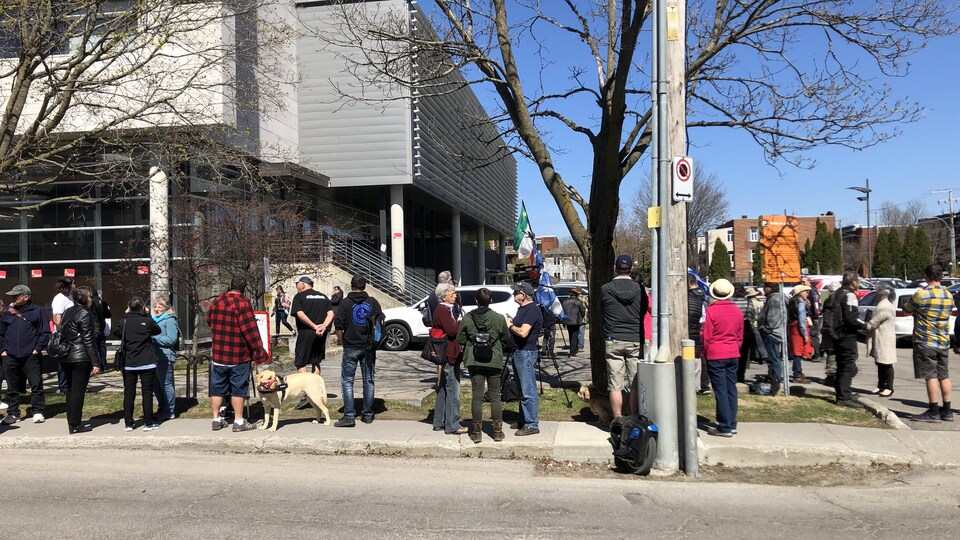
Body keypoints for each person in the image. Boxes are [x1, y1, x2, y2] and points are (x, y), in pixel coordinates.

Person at [206, 276, 270, 432]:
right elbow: (250, 331)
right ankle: (239, 421)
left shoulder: (217, 301)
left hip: (219, 354)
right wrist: (259, 351)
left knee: (217, 388)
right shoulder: (243, 303)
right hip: (238, 355)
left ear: (230, 285)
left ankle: (216, 419)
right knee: (238, 388)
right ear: (244, 288)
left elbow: (209, 320)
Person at [457, 287, 509, 443]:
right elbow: (506, 337)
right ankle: (498, 431)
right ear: (490, 300)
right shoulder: (499, 318)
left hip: (474, 360)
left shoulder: (467, 318)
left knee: (477, 396)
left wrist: (471, 342)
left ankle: (477, 432)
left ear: (476, 300)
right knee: (495, 396)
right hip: (494, 360)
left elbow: (460, 338)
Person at [600, 255, 648, 420]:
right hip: (634, 337)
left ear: (615, 267)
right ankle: (634, 416)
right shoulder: (639, 289)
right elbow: (642, 311)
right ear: (631, 269)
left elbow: (603, 310)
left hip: (613, 338)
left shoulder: (605, 289)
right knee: (635, 382)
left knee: (615, 384)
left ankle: (618, 418)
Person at [904, 264, 954, 422]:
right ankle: (947, 410)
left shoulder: (922, 294)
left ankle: (933, 410)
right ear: (941, 277)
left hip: (925, 340)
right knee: (944, 376)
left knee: (930, 376)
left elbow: (907, 309)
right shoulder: (948, 295)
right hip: (943, 341)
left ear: (926, 277)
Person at [333, 275, 382, 427]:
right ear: (365, 286)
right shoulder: (372, 302)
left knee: (347, 381)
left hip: (351, 346)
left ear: (351, 285)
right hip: (368, 347)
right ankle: (367, 414)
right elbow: (380, 322)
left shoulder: (345, 303)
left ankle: (349, 415)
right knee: (369, 380)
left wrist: (342, 342)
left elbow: (339, 326)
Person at [1, 284, 50, 424]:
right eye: (12, 296)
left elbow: (44, 332)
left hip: (31, 355)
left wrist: (37, 349)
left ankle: (38, 411)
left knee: (36, 384)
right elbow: (1, 333)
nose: (12, 298)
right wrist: (3, 350)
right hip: (10, 355)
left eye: (16, 296)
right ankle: (13, 413)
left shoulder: (37, 311)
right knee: (12, 386)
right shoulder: (7, 312)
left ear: (26, 297)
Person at [701, 279, 743, 437]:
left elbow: (707, 336)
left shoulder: (712, 311)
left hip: (716, 353)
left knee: (720, 390)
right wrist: (735, 347)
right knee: (731, 388)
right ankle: (731, 422)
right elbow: (740, 335)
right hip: (732, 352)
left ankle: (724, 425)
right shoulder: (737, 311)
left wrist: (704, 351)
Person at [114, 297, 162, 431]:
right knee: (147, 392)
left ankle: (128, 423)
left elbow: (116, 332)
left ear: (129, 307)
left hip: (129, 362)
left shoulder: (124, 321)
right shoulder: (146, 321)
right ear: (142, 307)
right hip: (147, 362)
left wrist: (126, 314)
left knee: (129, 393)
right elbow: (157, 330)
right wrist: (147, 314)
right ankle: (148, 422)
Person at [58, 286, 101, 434]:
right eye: (90, 296)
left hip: (66, 355)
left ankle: (72, 422)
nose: (91, 299)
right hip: (80, 356)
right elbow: (88, 340)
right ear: (85, 298)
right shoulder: (85, 313)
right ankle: (76, 423)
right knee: (78, 391)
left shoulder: (68, 311)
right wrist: (95, 362)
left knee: (70, 390)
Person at [505, 281, 543, 436]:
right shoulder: (523, 309)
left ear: (524, 295)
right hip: (519, 352)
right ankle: (524, 419)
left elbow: (523, 333)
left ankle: (532, 424)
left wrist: (510, 325)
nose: (514, 294)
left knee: (528, 390)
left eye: (516, 292)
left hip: (526, 352)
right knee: (521, 389)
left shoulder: (532, 310)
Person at [431, 282, 467, 435]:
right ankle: (452, 424)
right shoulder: (443, 310)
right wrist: (461, 321)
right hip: (449, 354)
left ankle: (439, 421)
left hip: (446, 352)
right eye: (452, 293)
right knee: (453, 390)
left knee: (444, 388)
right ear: (444, 296)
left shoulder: (445, 309)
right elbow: (452, 331)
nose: (455, 295)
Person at [831, 271, 867, 408]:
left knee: (842, 365)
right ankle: (844, 397)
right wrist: (865, 325)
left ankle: (843, 392)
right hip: (846, 335)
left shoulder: (836, 294)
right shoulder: (850, 295)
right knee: (848, 366)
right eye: (858, 281)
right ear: (853, 282)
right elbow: (851, 318)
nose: (858, 284)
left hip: (836, 334)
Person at [290, 276, 334, 375]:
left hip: (306, 332)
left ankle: (307, 386)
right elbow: (331, 313)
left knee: (300, 362)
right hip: (321, 333)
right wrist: (323, 326)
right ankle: (315, 386)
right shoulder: (323, 296)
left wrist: (314, 326)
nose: (296, 286)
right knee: (316, 361)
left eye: (297, 284)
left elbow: (300, 314)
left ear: (303, 284)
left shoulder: (299, 297)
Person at [865, 284, 897, 397]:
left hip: (885, 338)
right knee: (880, 362)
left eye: (877, 291)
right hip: (880, 337)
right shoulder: (883, 304)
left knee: (886, 363)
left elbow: (874, 322)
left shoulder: (885, 306)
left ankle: (889, 387)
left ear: (882, 293)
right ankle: (880, 385)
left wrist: (864, 325)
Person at [151, 297, 179, 421]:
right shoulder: (154, 320)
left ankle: (170, 410)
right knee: (156, 386)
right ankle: (162, 408)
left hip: (165, 356)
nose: (157, 309)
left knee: (165, 384)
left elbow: (171, 339)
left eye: (159, 307)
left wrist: (155, 339)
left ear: (166, 308)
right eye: (155, 307)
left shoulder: (170, 320)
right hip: (155, 356)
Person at [758, 282, 787, 395]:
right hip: (778, 332)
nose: (764, 289)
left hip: (773, 333)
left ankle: (776, 380)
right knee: (775, 358)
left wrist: (766, 329)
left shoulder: (774, 299)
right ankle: (774, 378)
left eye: (765, 287)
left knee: (774, 358)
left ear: (769, 288)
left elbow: (772, 318)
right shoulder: (779, 298)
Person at [52, 277, 76, 394]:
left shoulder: (70, 297)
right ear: (69, 285)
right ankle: (63, 386)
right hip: (64, 335)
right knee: (64, 360)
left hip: (73, 334)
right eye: (74, 284)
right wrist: (67, 330)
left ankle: (70, 384)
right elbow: (57, 318)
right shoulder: (59, 299)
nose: (75, 286)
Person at [730, 283, 758, 383]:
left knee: (732, 354)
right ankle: (740, 376)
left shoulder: (731, 302)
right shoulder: (748, 302)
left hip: (733, 330)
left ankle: (732, 375)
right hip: (745, 330)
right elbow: (753, 316)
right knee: (744, 355)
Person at [687, 274, 709, 395]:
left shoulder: (690, 296)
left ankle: (695, 385)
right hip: (699, 329)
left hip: (691, 329)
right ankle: (700, 385)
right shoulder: (703, 294)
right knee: (698, 359)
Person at [787, 284, 812, 384]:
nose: (807, 293)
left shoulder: (792, 302)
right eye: (806, 291)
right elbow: (802, 319)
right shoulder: (800, 303)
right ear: (800, 293)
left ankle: (798, 372)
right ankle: (797, 374)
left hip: (793, 327)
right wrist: (805, 334)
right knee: (798, 352)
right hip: (798, 329)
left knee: (796, 350)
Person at [819, 282, 842, 386]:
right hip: (838, 331)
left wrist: (829, 331)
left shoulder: (830, 301)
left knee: (831, 353)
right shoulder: (842, 299)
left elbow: (828, 319)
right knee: (835, 354)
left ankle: (831, 377)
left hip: (831, 331)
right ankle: (834, 376)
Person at [801, 276, 823, 360]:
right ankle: (816, 353)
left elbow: (816, 304)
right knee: (811, 335)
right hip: (810, 315)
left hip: (815, 316)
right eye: (801, 282)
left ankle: (817, 354)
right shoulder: (806, 291)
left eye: (804, 282)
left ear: (809, 282)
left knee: (814, 335)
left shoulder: (812, 291)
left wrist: (816, 317)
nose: (802, 283)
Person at [90, 288, 112, 372]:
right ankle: (104, 365)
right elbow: (108, 315)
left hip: (94, 328)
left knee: (95, 347)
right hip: (102, 327)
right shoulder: (103, 302)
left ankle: (97, 365)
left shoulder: (90, 303)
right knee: (102, 347)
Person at [562, 288, 585, 357]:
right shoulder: (578, 301)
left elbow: (563, 311)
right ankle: (573, 351)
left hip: (568, 321)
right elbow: (582, 311)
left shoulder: (565, 301)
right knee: (575, 336)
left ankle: (573, 350)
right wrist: (582, 317)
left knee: (571, 335)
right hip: (576, 321)